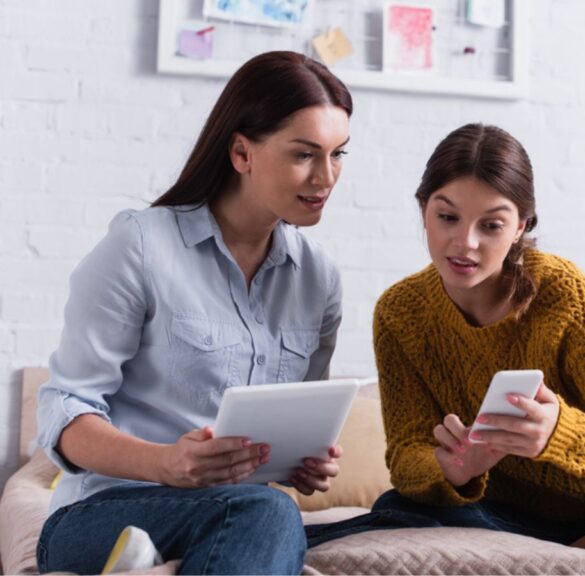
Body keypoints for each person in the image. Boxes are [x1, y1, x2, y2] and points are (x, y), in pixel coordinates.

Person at [304, 124, 585, 567]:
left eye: (491, 225)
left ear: (521, 227)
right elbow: (406, 455)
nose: (465, 243)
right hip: (498, 516)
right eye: (447, 217)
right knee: (398, 504)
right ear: (423, 211)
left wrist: (558, 432)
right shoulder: (400, 313)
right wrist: (453, 470)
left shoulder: (562, 293)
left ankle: (581, 554)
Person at [35, 51, 352, 575]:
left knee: (270, 512)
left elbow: (297, 417)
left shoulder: (319, 278)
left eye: (339, 154)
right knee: (271, 514)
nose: (327, 177)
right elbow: (64, 410)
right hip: (102, 511)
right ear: (241, 153)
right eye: (304, 154)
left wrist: (305, 461)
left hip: (236, 513)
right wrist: (165, 464)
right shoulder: (141, 244)